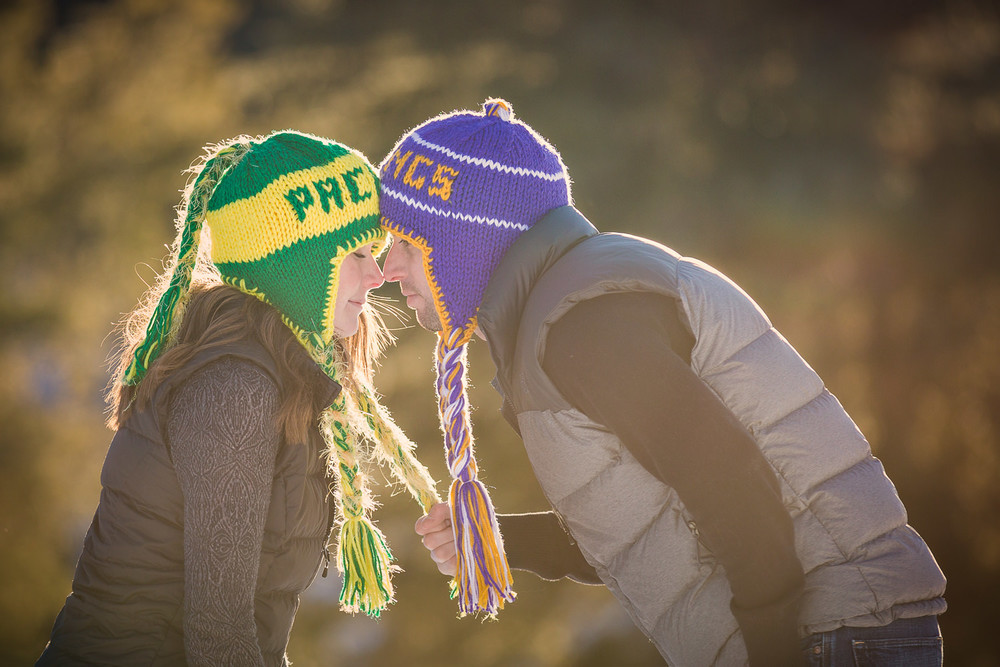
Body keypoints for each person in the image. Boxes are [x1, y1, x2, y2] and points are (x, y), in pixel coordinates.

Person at [378, 99, 947, 666]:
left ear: (469, 241)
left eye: (406, 243)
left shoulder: (585, 325)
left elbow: (731, 484)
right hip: (841, 632)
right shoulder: (570, 311)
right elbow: (659, 524)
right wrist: (498, 539)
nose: (387, 270)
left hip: (834, 636)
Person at [37, 131, 440, 666]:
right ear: (298, 264)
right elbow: (218, 636)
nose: (377, 275)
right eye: (357, 253)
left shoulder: (281, 375)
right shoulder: (235, 389)